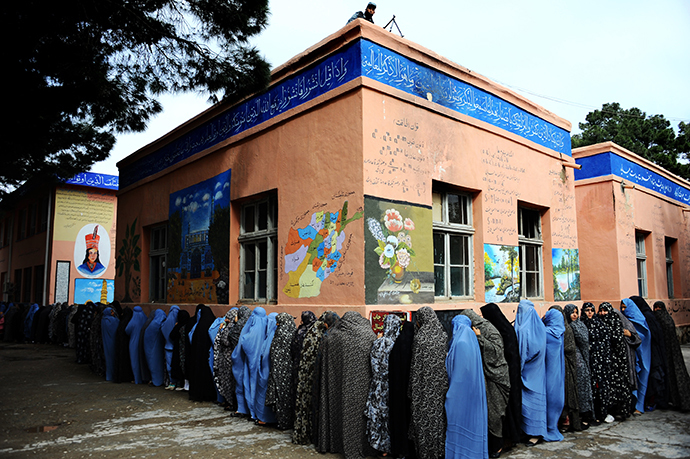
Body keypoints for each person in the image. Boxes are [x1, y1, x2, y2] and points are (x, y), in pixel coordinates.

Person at [445, 314, 488, 459]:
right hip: (473, 392)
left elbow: (460, 374)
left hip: (461, 395)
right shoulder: (470, 338)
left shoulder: (461, 342)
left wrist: (450, 395)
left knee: (460, 427)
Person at [514, 299, 547, 446]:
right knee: (527, 404)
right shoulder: (526, 325)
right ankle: (527, 431)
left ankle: (536, 434)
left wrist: (521, 364)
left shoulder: (530, 328)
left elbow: (533, 349)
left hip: (531, 370)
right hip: (530, 371)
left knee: (534, 402)